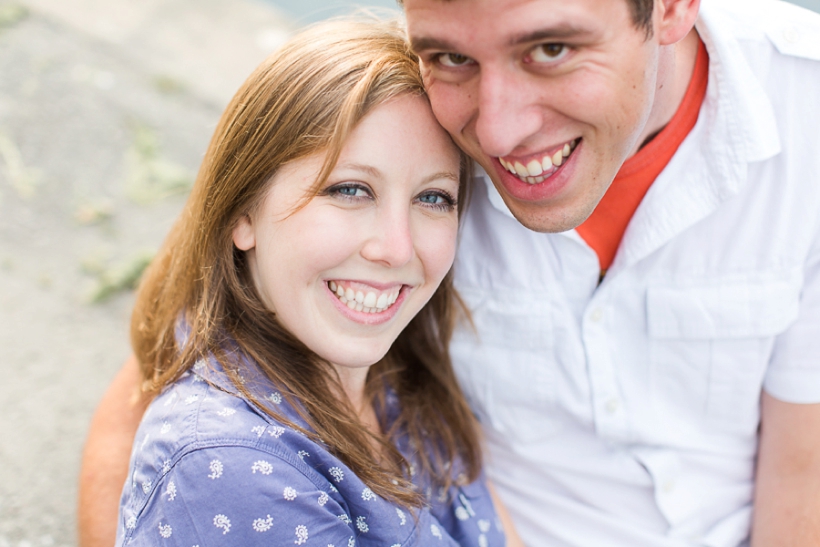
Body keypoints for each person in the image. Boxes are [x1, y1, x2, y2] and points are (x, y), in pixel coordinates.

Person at [79, 0, 820, 545]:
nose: (495, 131)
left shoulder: (804, 112)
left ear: (672, 9)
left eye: (551, 48)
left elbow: (804, 472)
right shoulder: (403, 108)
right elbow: (171, 348)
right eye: (451, 57)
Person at [107, 19, 513, 546]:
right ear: (242, 213)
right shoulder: (228, 467)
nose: (396, 248)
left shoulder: (404, 376)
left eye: (433, 198)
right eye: (349, 189)